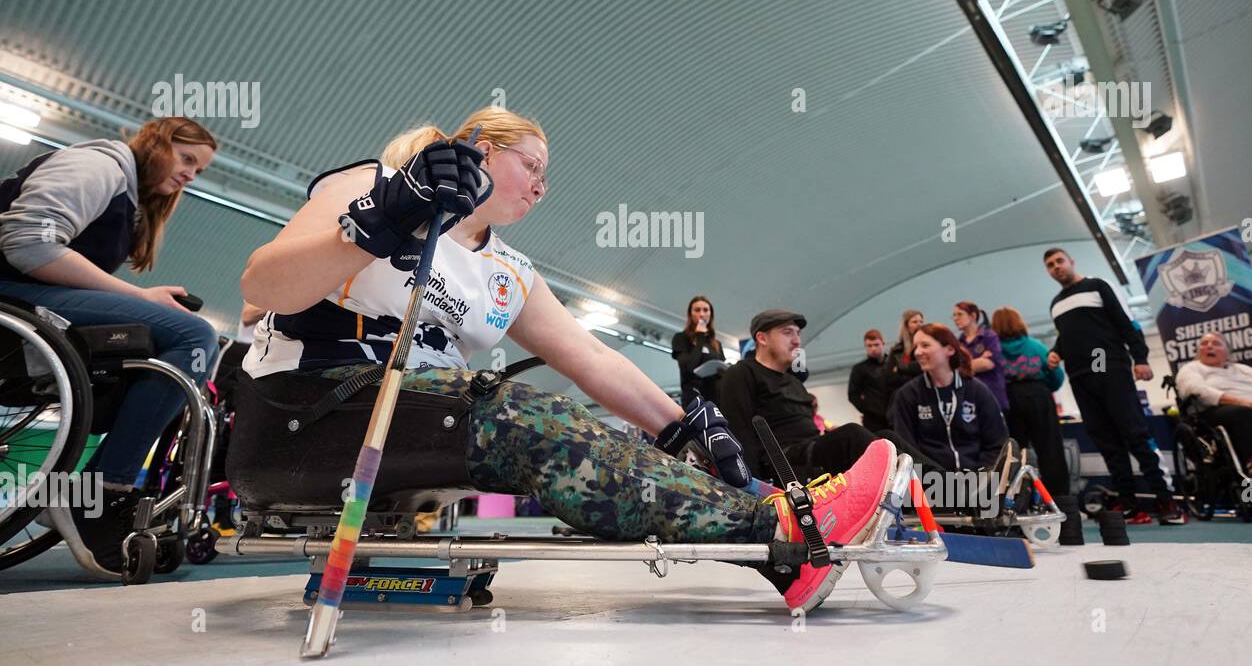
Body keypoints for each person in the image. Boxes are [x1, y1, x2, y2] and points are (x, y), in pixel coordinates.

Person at [232, 107, 898, 613]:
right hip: (308, 410)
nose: (542, 187)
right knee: (525, 418)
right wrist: (384, 214)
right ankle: (779, 532)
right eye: (533, 167)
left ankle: (783, 533)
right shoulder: (374, 184)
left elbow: (590, 357)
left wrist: (685, 424)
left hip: (417, 409)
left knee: (562, 418)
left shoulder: (508, 271)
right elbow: (263, 285)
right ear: (481, 151)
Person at [0, 117, 220, 568]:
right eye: (186, 159)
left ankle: (95, 488)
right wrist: (141, 297)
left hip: (25, 299)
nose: (189, 176)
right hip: (11, 294)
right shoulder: (97, 166)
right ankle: (101, 492)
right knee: (193, 334)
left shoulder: (126, 200)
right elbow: (28, 244)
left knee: (158, 349)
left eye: (198, 171)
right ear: (158, 143)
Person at [1043, 247, 1183, 524]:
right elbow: (1072, 333)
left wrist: (1140, 358)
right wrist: (1056, 350)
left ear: (1072, 261)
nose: (1056, 266)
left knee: (1135, 434)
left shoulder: (1097, 286)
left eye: (1060, 260)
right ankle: (1131, 505)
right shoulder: (1055, 304)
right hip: (1080, 378)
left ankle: (1167, 502)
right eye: (1050, 265)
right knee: (1107, 443)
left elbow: (1126, 323)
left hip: (1111, 369)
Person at [715, 309, 882, 483]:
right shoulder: (742, 373)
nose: (797, 341)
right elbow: (740, 434)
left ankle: (910, 495)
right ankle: (911, 496)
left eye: (798, 333)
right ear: (762, 338)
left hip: (813, 449)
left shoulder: (793, 380)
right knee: (852, 435)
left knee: (887, 437)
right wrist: (752, 489)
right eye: (787, 332)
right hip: (784, 462)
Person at [1175, 332, 1252, 481]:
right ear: (1198, 351)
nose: (1209, 346)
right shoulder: (1191, 369)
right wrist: (1243, 402)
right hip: (1218, 412)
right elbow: (1195, 390)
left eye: (1216, 343)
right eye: (1204, 344)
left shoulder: (1243, 369)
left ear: (1227, 352)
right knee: (1245, 414)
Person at [889, 324, 1007, 474]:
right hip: (932, 485)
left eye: (925, 345)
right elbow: (907, 449)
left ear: (949, 349)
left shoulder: (977, 390)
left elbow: (997, 443)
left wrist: (981, 476)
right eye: (916, 347)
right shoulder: (907, 395)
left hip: (979, 481)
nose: (917, 352)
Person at [991, 306, 1068, 496]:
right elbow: (1056, 376)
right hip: (1038, 396)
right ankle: (1060, 498)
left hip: (1008, 400)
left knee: (1013, 453)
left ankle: (1016, 498)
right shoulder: (1035, 346)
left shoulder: (994, 351)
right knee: (1050, 449)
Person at [952, 301, 1008, 413]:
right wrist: (979, 360)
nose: (955, 318)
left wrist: (964, 366)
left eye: (959, 314)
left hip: (993, 397)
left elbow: (988, 364)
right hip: (969, 402)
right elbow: (954, 370)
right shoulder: (958, 344)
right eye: (954, 315)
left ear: (973, 315)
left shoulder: (989, 336)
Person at [670, 295, 725, 403]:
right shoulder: (681, 338)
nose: (702, 314)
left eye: (705, 310)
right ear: (690, 314)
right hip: (694, 398)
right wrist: (699, 336)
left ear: (711, 315)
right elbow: (689, 367)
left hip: (716, 399)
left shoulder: (716, 343)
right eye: (697, 310)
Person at [884, 308, 925, 423]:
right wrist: (912, 370)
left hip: (922, 397)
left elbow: (924, 369)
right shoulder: (897, 350)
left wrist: (902, 368)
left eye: (921, 321)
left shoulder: (926, 347)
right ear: (906, 325)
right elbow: (889, 377)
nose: (919, 325)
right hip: (901, 399)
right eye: (915, 322)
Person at [847, 329, 890, 433]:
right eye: (869, 346)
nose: (873, 349)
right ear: (865, 347)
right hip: (873, 421)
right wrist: (868, 410)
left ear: (883, 344)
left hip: (896, 416)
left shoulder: (894, 365)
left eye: (876, 345)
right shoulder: (859, 369)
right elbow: (853, 395)